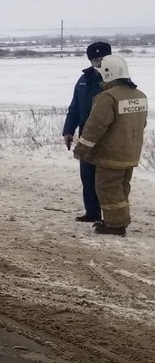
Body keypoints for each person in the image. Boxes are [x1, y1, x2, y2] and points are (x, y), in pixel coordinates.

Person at [73, 54, 148, 236]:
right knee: (122, 188)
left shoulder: (107, 97)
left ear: (108, 73)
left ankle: (115, 225)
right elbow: (141, 124)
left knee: (108, 188)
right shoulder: (139, 95)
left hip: (110, 155)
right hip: (130, 152)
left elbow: (95, 127)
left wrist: (81, 149)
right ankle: (120, 218)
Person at [63, 42, 110, 222]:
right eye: (95, 59)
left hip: (108, 137)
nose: (98, 63)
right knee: (88, 176)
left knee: (106, 179)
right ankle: (92, 212)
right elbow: (74, 107)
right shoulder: (82, 81)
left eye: (102, 59)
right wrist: (68, 130)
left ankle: (111, 216)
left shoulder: (116, 81)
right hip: (86, 135)